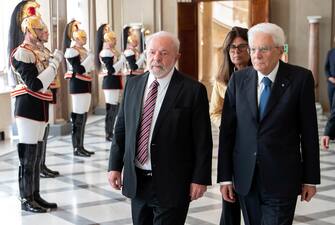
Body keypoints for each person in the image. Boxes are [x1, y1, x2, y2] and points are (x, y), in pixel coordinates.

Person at [217, 22, 320, 225]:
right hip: (246, 178)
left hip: (282, 178)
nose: (256, 55)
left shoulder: (300, 79)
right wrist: (225, 178)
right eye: (253, 49)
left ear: (280, 50)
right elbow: (227, 133)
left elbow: (309, 133)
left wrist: (310, 178)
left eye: (263, 49)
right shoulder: (238, 80)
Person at [108, 31, 213, 225]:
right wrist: (114, 165)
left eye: (164, 53)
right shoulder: (133, 84)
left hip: (173, 181)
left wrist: (200, 178)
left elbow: (202, 140)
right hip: (138, 180)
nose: (156, 58)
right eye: (152, 52)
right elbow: (122, 129)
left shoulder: (193, 90)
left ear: (176, 57)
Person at [9, 1, 63, 213]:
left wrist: (52, 62)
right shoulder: (22, 53)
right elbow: (36, 83)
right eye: (40, 29)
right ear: (30, 31)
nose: (44, 31)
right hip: (28, 107)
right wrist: (55, 63)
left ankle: (36, 195)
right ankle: (26, 198)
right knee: (28, 156)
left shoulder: (40, 51)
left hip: (40, 106)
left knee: (38, 154)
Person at [210, 26, 251, 225]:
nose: (236, 51)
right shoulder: (221, 80)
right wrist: (228, 126)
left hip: (255, 148)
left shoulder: (260, 74)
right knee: (230, 202)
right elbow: (215, 111)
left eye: (242, 46)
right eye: (232, 47)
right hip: (231, 146)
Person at [63, 20, 95, 157]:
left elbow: (89, 68)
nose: (85, 39)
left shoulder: (84, 50)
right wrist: (91, 57)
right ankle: (76, 147)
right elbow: (80, 69)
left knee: (83, 115)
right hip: (77, 84)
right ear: (76, 38)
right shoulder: (71, 51)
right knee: (78, 116)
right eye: (83, 37)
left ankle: (81, 145)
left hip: (85, 83)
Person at [36, 21, 60, 178]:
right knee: (38, 135)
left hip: (48, 91)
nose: (47, 33)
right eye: (42, 30)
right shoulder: (33, 52)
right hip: (37, 93)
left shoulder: (44, 50)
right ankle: (38, 165)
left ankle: (42, 163)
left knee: (45, 130)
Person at [95, 24, 126, 141]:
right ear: (108, 39)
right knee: (111, 109)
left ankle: (111, 131)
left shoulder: (113, 51)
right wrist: (122, 60)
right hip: (110, 81)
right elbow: (111, 70)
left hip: (115, 81)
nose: (116, 41)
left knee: (115, 107)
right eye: (114, 39)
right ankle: (108, 133)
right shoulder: (106, 52)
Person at [325, 36, 335, 107]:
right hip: (331, 82)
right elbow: (326, 68)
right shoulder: (330, 52)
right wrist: (329, 77)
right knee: (331, 102)